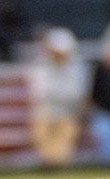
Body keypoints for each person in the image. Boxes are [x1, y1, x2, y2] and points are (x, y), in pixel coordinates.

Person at [27, 28, 89, 168]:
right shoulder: (40, 64)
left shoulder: (77, 66)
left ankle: (58, 165)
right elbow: (40, 92)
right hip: (45, 111)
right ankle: (48, 164)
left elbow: (76, 93)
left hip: (68, 112)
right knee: (44, 142)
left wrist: (59, 97)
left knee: (63, 149)